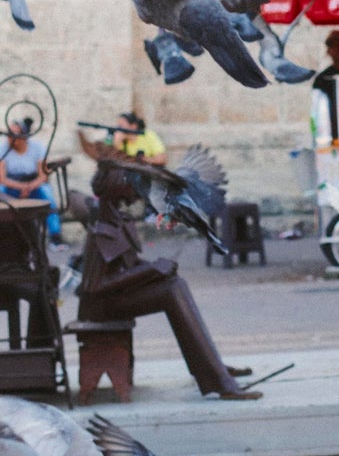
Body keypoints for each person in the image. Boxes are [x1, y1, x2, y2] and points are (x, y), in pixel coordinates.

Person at [77, 162, 259, 400]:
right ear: (117, 188)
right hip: (100, 310)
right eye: (132, 184)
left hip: (111, 300)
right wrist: (152, 269)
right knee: (172, 290)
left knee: (175, 284)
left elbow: (129, 264)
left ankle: (212, 370)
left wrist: (156, 270)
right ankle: (218, 379)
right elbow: (95, 286)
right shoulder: (103, 228)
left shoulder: (119, 221)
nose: (138, 190)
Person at [0, 118, 62, 243]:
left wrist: (29, 187)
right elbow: (2, 178)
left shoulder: (37, 147)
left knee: (47, 194)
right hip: (12, 186)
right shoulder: (3, 149)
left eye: (14, 135)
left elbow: (43, 175)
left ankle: (55, 235)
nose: (10, 138)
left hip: (34, 185)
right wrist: (21, 187)